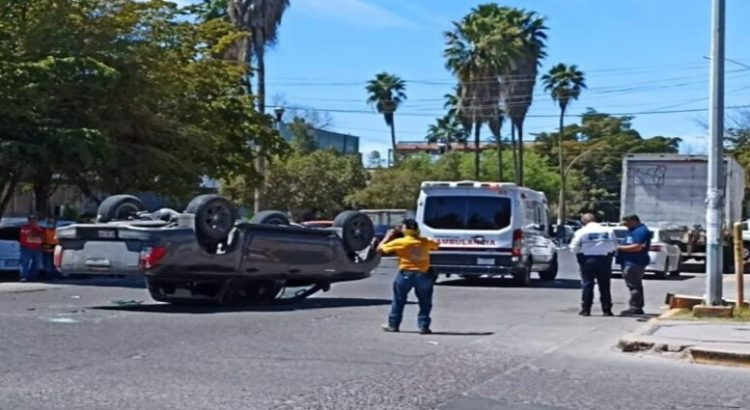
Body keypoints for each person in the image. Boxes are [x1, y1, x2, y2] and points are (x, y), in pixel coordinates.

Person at [378, 219, 439, 334]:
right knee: (425, 302)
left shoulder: (400, 242)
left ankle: (393, 324)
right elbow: (436, 244)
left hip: (405, 273)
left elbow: (380, 248)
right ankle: (423, 326)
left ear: (405, 229)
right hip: (423, 274)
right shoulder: (424, 241)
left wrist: (387, 236)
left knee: (399, 300)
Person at [569, 213, 617, 316]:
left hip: (587, 260)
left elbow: (573, 247)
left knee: (587, 284)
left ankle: (586, 309)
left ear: (583, 222)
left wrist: (581, 254)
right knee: (604, 285)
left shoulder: (581, 231)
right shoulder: (608, 231)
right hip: (604, 259)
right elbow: (614, 246)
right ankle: (607, 309)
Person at [617, 214, 652, 316]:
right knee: (633, 285)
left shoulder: (641, 231)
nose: (626, 226)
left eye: (627, 223)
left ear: (633, 221)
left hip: (635, 262)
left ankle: (635, 307)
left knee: (634, 286)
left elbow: (637, 247)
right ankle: (636, 306)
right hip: (630, 261)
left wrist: (619, 248)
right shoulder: (633, 231)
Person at [19, 214, 45, 282]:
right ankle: (24, 277)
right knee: (25, 263)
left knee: (36, 264)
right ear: (28, 220)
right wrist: (38, 234)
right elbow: (30, 234)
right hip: (26, 248)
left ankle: (33, 278)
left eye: (35, 219)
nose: (34, 221)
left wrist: (37, 232)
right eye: (32, 219)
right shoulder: (24, 227)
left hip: (38, 249)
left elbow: (43, 236)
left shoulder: (41, 228)